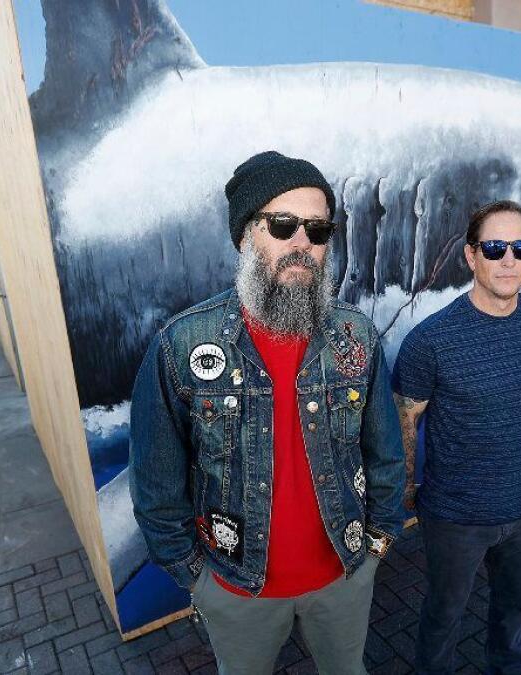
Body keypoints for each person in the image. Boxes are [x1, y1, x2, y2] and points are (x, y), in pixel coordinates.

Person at [129, 151, 405, 674]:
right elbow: (155, 485)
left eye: (318, 231)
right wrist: (198, 581)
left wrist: (374, 550)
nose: (302, 244)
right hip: (237, 590)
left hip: (343, 578)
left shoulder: (357, 337)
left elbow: (384, 454)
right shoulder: (181, 345)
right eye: (282, 225)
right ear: (244, 236)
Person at [393, 200, 521, 674]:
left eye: (520, 247)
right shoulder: (430, 340)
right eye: (494, 248)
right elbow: (405, 420)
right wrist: (408, 489)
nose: (508, 259)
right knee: (443, 618)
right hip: (454, 520)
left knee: (512, 617)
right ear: (471, 257)